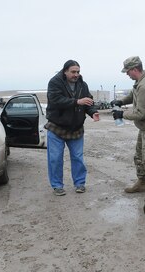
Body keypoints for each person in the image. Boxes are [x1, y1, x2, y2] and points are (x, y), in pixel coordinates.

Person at [111, 56, 145, 198]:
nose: (127, 74)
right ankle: (142, 183)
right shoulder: (140, 81)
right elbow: (133, 95)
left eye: (128, 72)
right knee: (139, 156)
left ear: (134, 69)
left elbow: (141, 113)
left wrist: (121, 114)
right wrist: (121, 101)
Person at [45, 60, 100, 196]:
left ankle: (80, 184)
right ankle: (57, 186)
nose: (76, 75)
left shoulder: (82, 84)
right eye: (73, 72)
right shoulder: (55, 82)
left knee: (78, 158)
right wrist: (77, 102)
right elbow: (56, 100)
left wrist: (93, 112)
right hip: (56, 127)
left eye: (78, 72)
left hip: (76, 128)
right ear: (65, 71)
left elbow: (88, 102)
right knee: (55, 159)